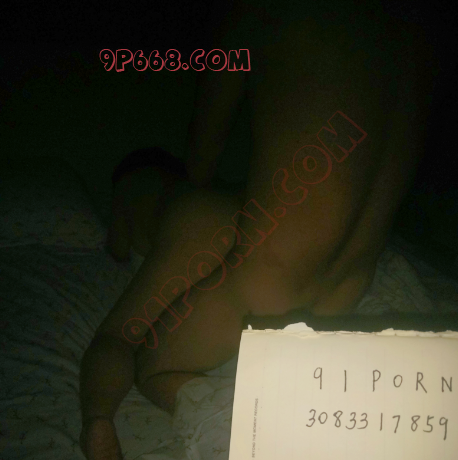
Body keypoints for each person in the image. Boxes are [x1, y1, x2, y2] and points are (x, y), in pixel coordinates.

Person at [79, 0, 435, 458]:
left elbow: (198, 154)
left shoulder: (256, 10)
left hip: (265, 280)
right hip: (347, 286)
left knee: (130, 347)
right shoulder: (424, 27)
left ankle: (102, 422)